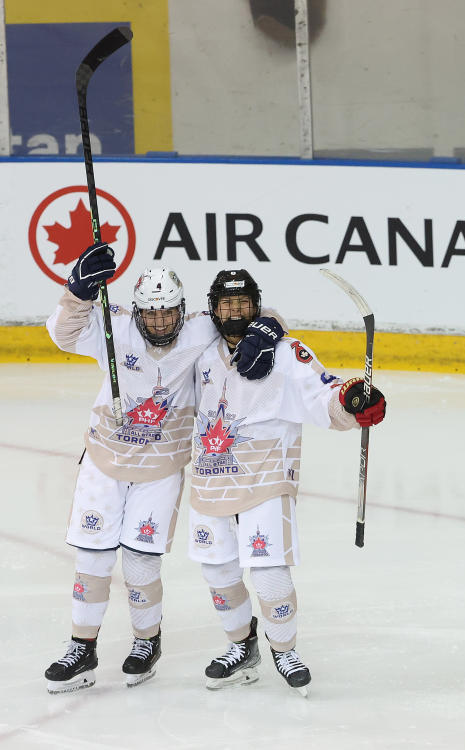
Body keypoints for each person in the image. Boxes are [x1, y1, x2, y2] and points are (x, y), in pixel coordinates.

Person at [43, 243, 284, 694]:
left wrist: (269, 328)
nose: (159, 322)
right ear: (137, 311)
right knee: (92, 556)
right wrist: (77, 289)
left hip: (161, 468)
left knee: (139, 560)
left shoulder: (201, 331)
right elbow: (61, 331)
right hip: (104, 460)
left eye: (167, 313)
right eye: (150, 314)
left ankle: (145, 642)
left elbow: (246, 315)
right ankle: (82, 646)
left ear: (182, 310)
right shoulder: (114, 327)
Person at [186, 268, 386, 696]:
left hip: (265, 476)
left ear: (256, 305)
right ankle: (242, 647)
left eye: (243, 304)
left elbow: (324, 393)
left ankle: (284, 649)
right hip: (209, 479)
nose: (235, 312)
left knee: (270, 573)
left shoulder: (286, 350)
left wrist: (352, 400)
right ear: (214, 310)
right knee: (218, 571)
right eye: (227, 305)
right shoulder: (201, 350)